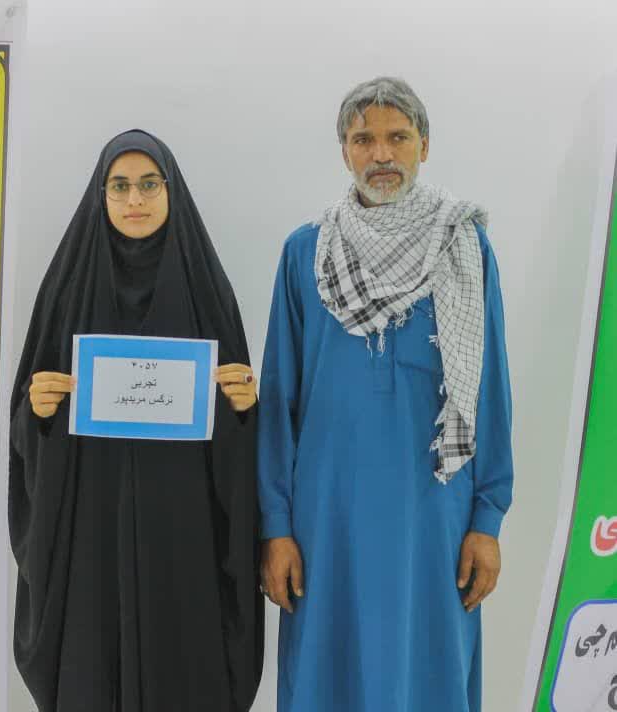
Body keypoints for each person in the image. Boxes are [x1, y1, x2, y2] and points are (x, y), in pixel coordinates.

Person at [257, 77, 514, 712]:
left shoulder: (464, 246)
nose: (381, 155)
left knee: (428, 668)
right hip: (328, 517)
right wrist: (276, 526)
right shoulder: (307, 253)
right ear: (344, 151)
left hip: (434, 513)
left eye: (398, 137)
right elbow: (279, 400)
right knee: (325, 672)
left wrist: (487, 520)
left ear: (425, 145)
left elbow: (490, 390)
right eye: (363, 139)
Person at [9, 130, 264, 712]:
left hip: (184, 536)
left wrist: (243, 410)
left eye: (150, 184)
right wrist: (38, 414)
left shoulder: (206, 292)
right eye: (119, 186)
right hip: (89, 533)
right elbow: (26, 432)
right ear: (101, 194)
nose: (134, 200)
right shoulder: (66, 291)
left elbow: (238, 438)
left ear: (171, 191)